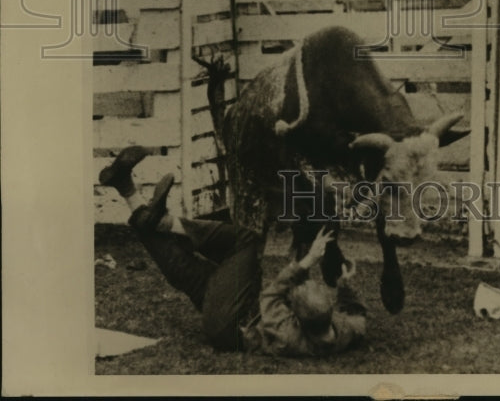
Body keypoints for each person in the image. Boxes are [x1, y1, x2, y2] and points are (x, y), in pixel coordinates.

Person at [98, 147, 367, 355]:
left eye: (298, 294)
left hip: (231, 323)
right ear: (331, 315)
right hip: (231, 315)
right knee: (182, 269)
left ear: (296, 318)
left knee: (245, 241)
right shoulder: (343, 331)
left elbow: (273, 293)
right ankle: (125, 187)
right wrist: (345, 285)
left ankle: (165, 222)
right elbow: (357, 315)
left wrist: (307, 261)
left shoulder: (286, 335)